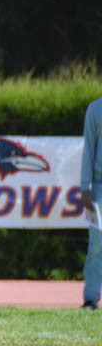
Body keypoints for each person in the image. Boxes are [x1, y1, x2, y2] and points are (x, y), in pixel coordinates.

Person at [82, 96, 102, 310]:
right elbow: (88, 148)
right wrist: (84, 186)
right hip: (98, 185)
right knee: (97, 243)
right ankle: (91, 298)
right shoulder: (95, 109)